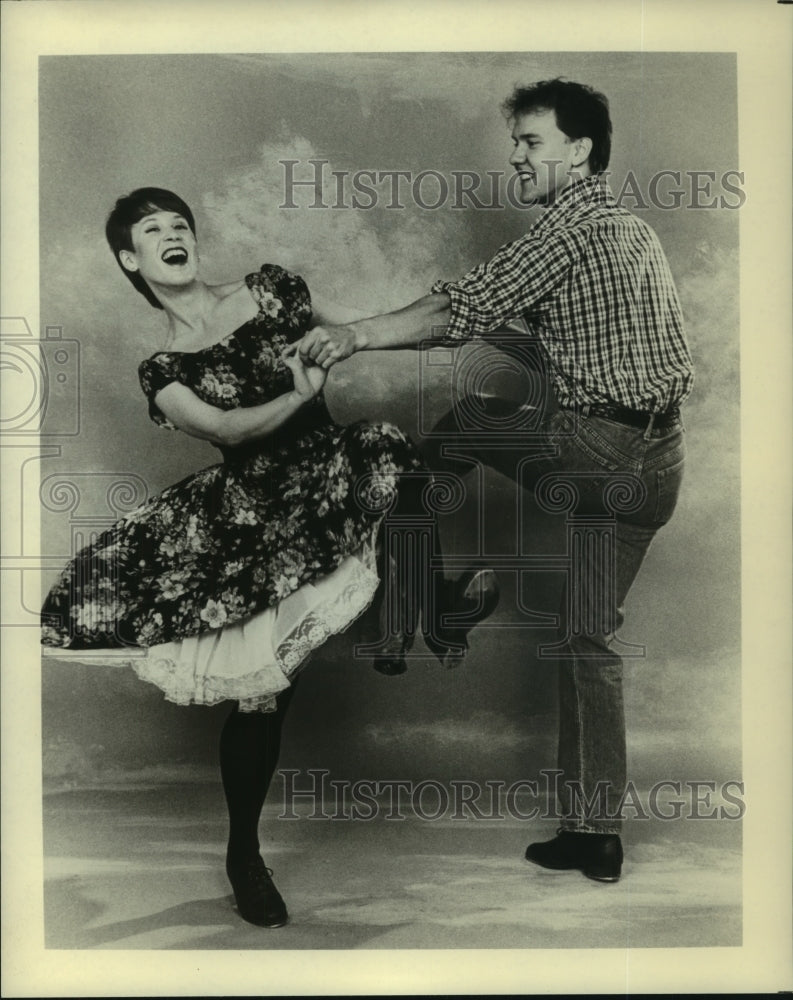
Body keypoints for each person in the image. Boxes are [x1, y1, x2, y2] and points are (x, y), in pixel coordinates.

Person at [40, 187, 499, 928]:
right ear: (132, 259)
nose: (172, 235)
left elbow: (355, 329)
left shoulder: (271, 289)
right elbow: (228, 426)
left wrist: (426, 329)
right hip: (253, 516)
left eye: (180, 223)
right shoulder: (162, 369)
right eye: (152, 231)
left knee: (385, 444)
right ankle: (243, 858)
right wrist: (299, 392)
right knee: (260, 696)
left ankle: (430, 611)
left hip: (328, 476)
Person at [297, 79, 694, 883]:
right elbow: (592, 344)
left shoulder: (572, 227)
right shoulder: (632, 233)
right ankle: (594, 835)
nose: (515, 156)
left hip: (602, 455)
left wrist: (355, 336)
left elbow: (461, 308)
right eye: (514, 143)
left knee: (462, 421)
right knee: (588, 637)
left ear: (578, 152)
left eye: (531, 143)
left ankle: (428, 597)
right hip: (658, 468)